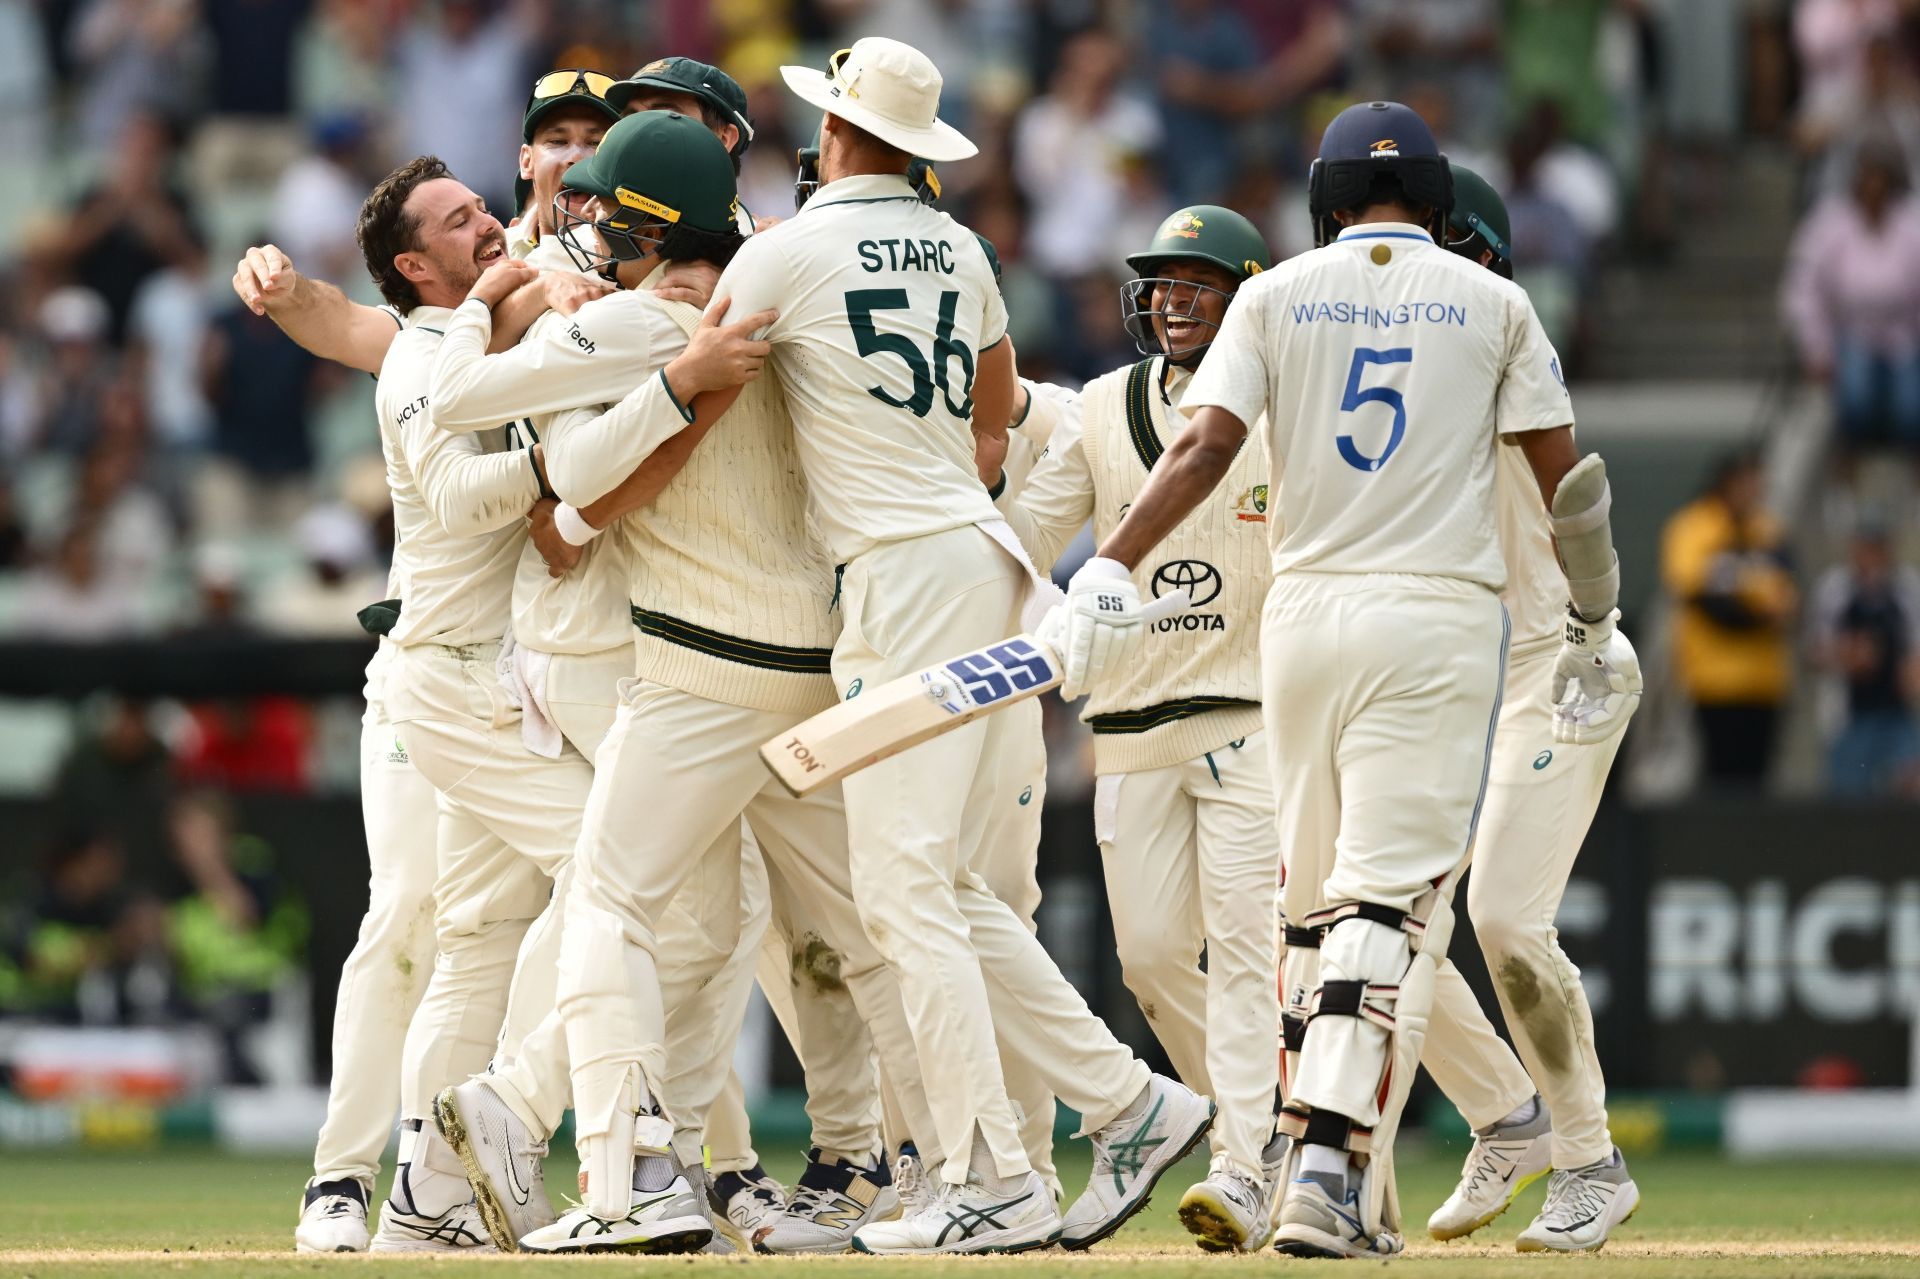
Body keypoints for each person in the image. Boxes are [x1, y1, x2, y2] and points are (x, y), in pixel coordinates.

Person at [1050, 100, 1636, 1258]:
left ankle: (1329, 1169)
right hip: (1437, 623)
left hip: (1303, 622)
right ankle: (1326, 1172)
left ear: (1324, 201)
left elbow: (1203, 446)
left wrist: (1108, 565)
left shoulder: (1271, 294)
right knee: (1380, 911)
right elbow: (1577, 493)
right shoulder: (1499, 305)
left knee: (1312, 919)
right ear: (1436, 201)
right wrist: (1600, 616)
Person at [712, 37, 1212, 1256]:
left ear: (833, 132)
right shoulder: (966, 253)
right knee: (941, 885)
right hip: (983, 563)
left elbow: (699, 375)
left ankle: (995, 1172)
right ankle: (1128, 1101)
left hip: (902, 577)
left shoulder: (782, 250)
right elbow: (994, 432)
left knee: (900, 889)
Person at [425, 114, 942, 1256]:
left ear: (648, 223)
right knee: (870, 930)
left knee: (607, 908)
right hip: (822, 666)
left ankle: (630, 1180)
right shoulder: (781, 304)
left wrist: (492, 299)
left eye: (607, 207)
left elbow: (456, 403)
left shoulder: (625, 317)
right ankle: (955, 1179)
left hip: (703, 665)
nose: (589, 223)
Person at [996, 204, 1285, 1252]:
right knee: (1156, 959)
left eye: (1197, 282)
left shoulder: (1280, 404)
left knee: (1250, 952)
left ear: (1244, 297)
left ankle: (1249, 1165)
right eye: (1162, 282)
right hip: (1130, 724)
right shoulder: (1102, 407)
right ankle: (1279, 1137)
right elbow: (1027, 539)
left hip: (1251, 712)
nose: (1172, 300)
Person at [353, 154, 586, 1253]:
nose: (488, 224)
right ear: (413, 265)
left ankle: (422, 1197)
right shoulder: (419, 358)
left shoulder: (478, 332)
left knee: (481, 935)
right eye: (457, 222)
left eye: (483, 206)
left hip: (496, 669)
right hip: (450, 673)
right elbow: (454, 495)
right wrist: (567, 461)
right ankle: (506, 1107)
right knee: (613, 870)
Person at [1415, 165, 1644, 1254]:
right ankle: (1507, 1119)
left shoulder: (1503, 336)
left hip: (1559, 663)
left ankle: (1591, 1161)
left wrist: (1598, 625)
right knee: (1374, 919)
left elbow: (1574, 493)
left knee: (1504, 918)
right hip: (1453, 680)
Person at [1661, 450, 1796, 786]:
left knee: (1758, 779)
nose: (1755, 491)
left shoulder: (1768, 529)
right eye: (1748, 482)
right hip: (1714, 679)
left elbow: (1786, 596)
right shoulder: (1692, 527)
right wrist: (1755, 609)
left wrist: (1750, 601)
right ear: (1727, 483)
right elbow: (1699, 596)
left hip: (1764, 681)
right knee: (1721, 775)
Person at [1810, 522, 1920, 794]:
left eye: (1879, 549)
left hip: (1898, 712)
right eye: (1866, 548)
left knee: (1906, 787)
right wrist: (1849, 654)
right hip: (1850, 716)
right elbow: (1815, 651)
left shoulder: (1906, 586)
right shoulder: (1835, 588)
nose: (1873, 557)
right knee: (1849, 796)